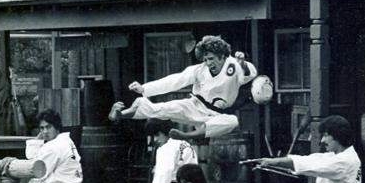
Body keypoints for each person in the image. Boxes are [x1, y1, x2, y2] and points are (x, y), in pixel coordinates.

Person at [108, 35, 258, 140]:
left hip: (217, 115)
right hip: (194, 105)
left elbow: (249, 74)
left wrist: (243, 63)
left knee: (232, 121)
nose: (208, 63)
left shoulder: (233, 65)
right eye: (205, 59)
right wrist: (144, 89)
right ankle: (120, 114)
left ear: (223, 56)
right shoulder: (199, 70)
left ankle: (188, 136)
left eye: (211, 59)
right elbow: (174, 81)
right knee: (163, 109)